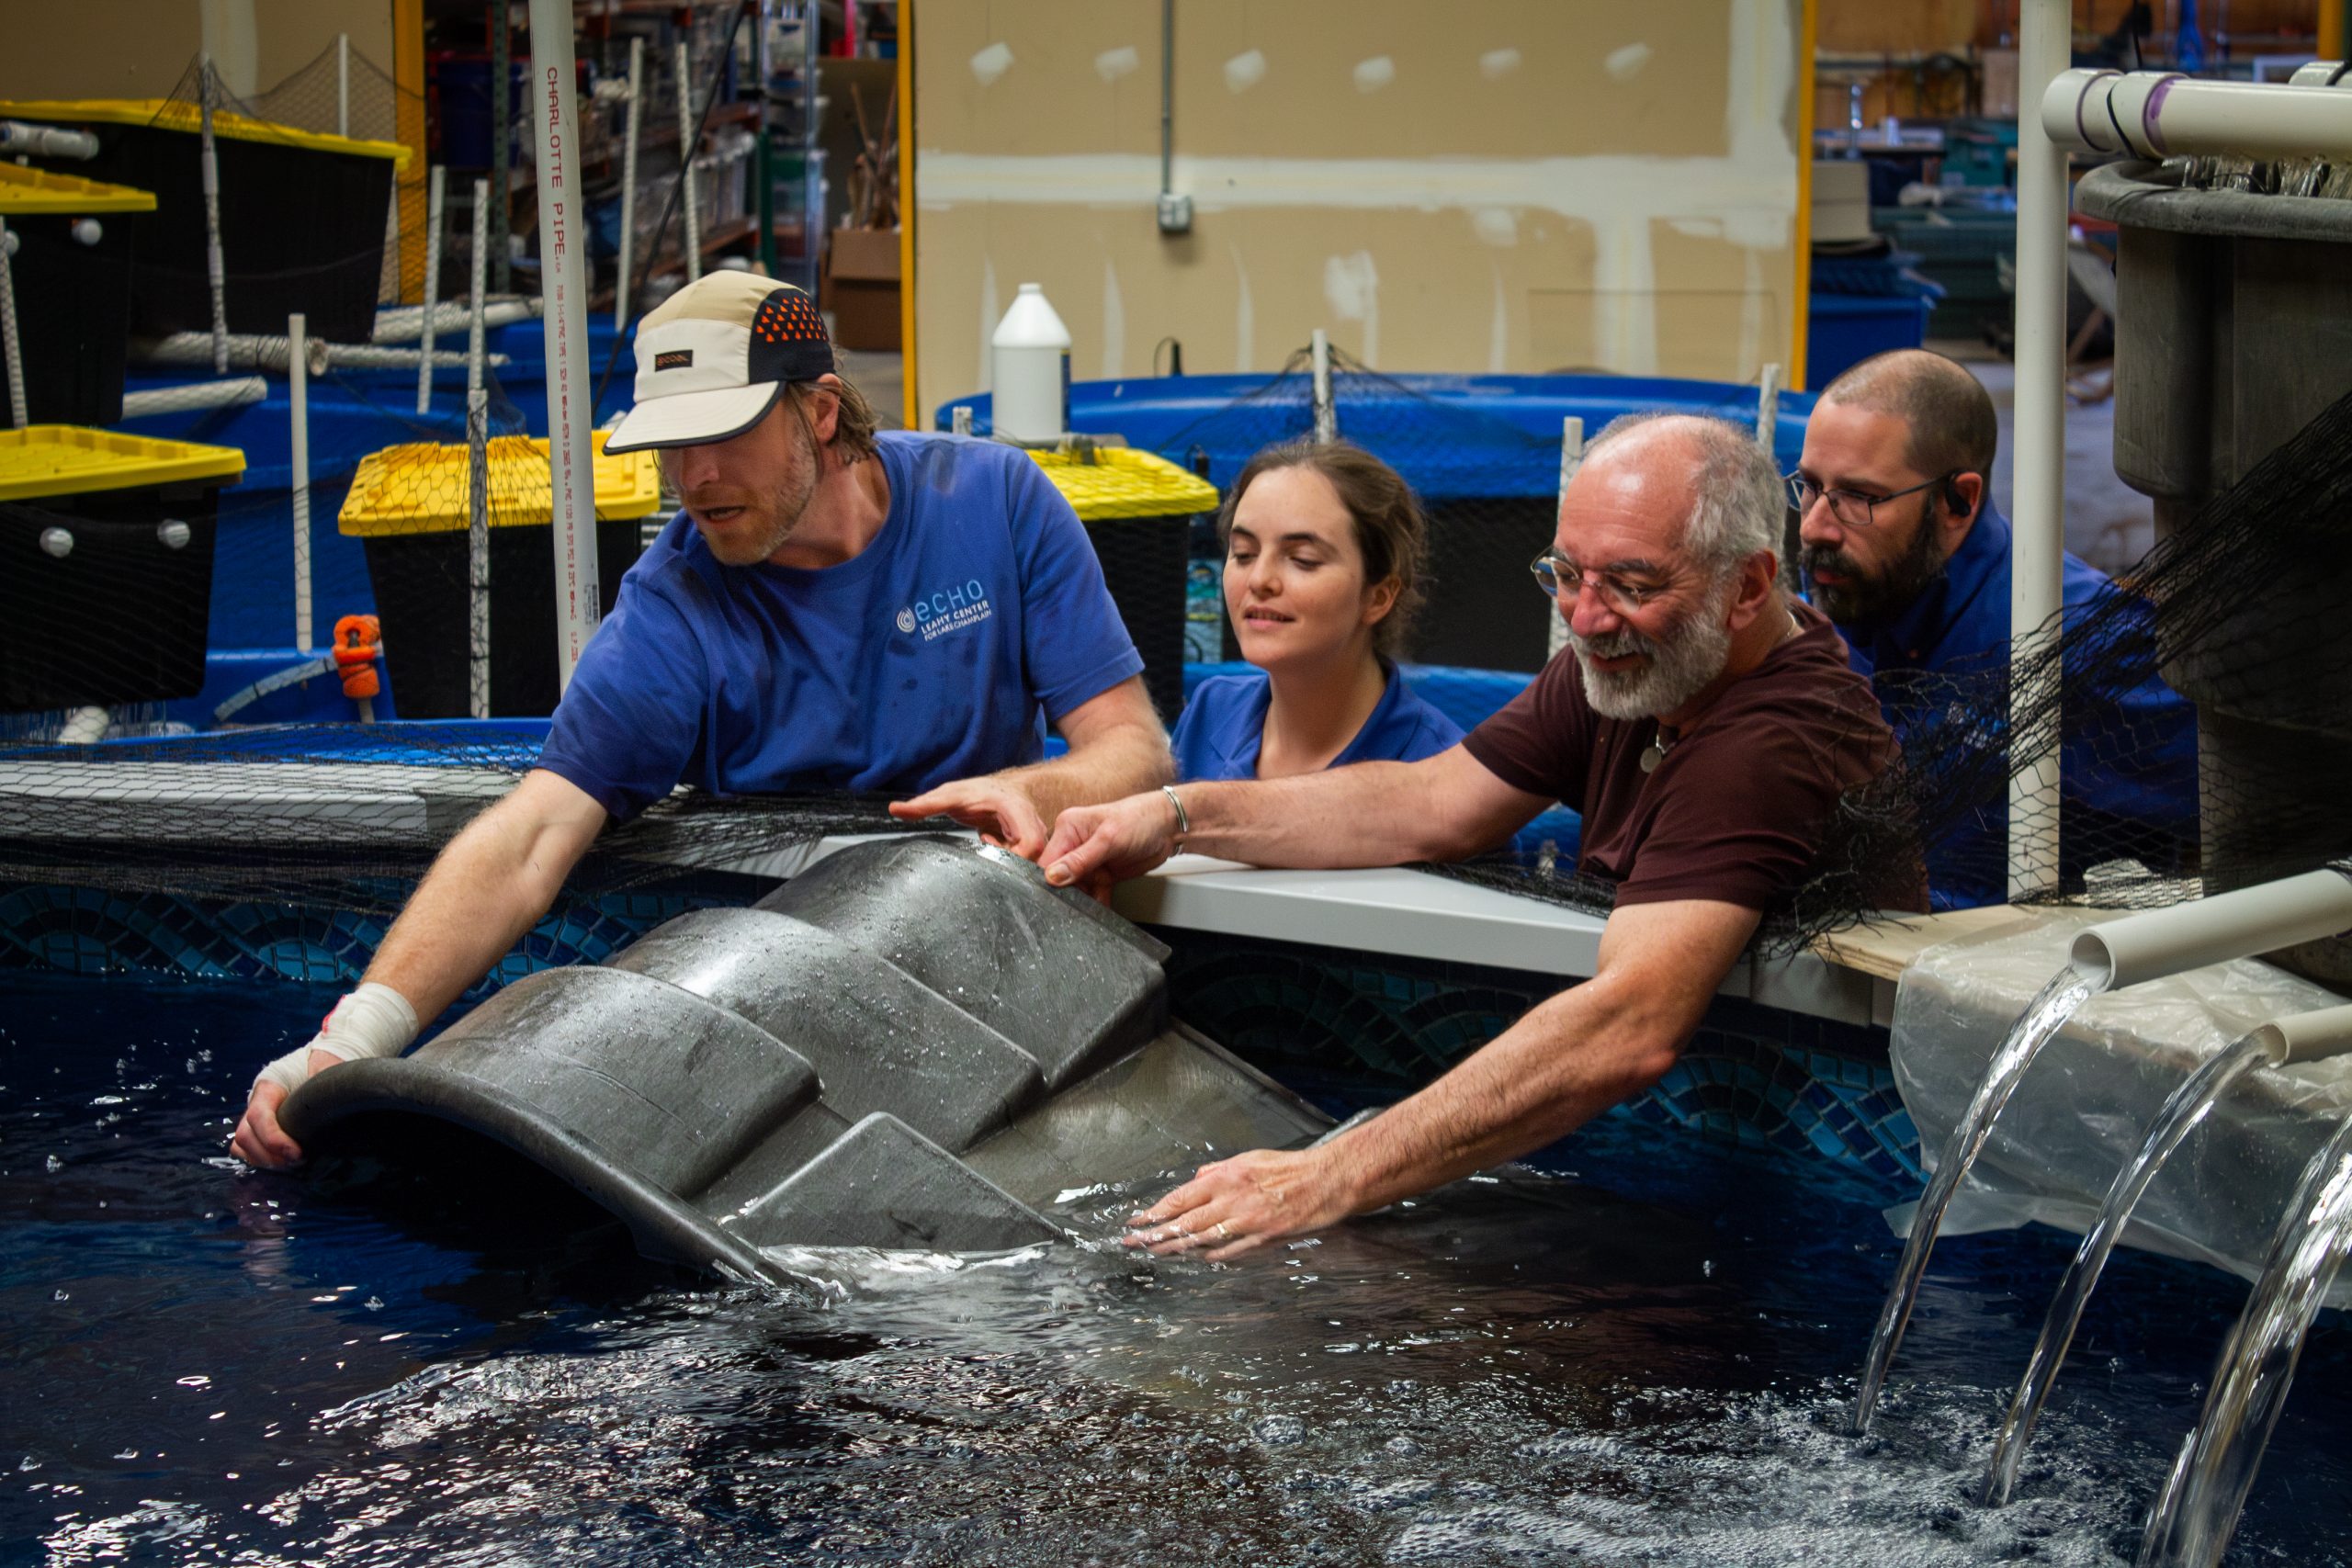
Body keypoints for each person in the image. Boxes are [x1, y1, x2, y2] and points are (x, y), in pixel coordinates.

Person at [232, 273, 1171, 1168]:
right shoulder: (675, 610)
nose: (697, 476)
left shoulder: (998, 505)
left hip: (993, 967)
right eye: (672, 447)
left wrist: (1025, 790)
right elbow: (530, 835)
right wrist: (351, 1039)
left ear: (821, 410)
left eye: (724, 435)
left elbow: (1133, 751)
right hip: (779, 1015)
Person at [1038, 412, 1919, 1259]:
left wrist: (1325, 1176)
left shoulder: (1770, 741)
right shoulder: (1641, 656)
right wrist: (1172, 816)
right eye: (1568, 574)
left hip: (1812, 1200)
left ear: (1752, 586)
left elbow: (1630, 1023)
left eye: (1632, 584)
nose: (1585, 618)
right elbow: (1428, 801)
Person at [1792, 348, 2198, 908]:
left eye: (1859, 498)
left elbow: (2259, 809)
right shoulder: (1832, 608)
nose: (1815, 527)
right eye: (1811, 486)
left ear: (1959, 501)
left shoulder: (2076, 642)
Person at [1172, 440, 1461, 781]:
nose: (1259, 579)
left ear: (1379, 596)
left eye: (1303, 560)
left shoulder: (1445, 777)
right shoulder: (1211, 712)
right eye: (1244, 553)